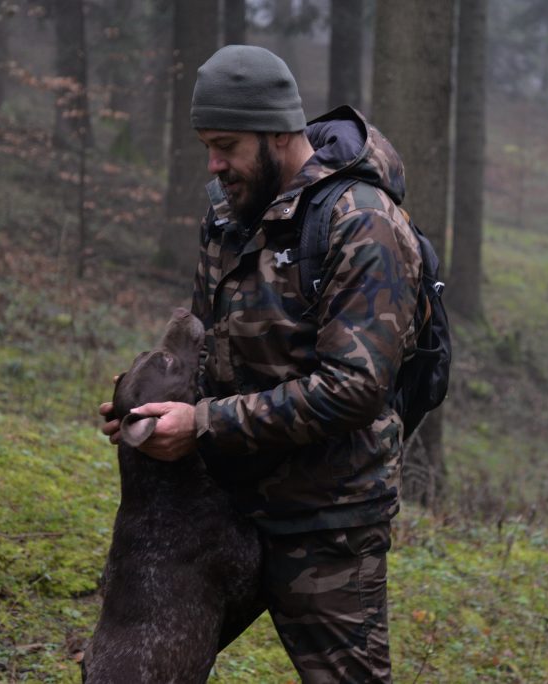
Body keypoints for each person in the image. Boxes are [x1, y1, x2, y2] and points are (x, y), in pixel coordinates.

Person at [99, 44, 421, 683]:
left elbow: (355, 388)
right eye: (206, 147)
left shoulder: (362, 223)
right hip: (221, 509)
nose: (214, 165)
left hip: (326, 519)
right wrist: (147, 410)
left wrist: (203, 424)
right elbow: (204, 344)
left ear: (278, 134)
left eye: (226, 146)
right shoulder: (227, 210)